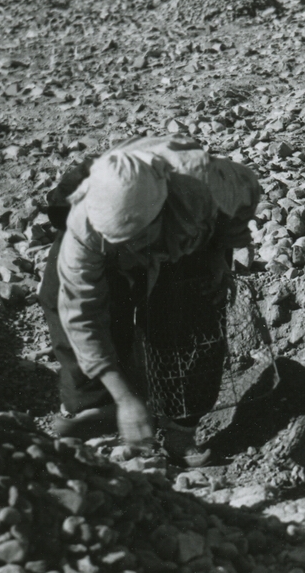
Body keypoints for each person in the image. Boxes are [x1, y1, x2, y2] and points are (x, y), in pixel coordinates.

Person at [39, 136, 261, 464]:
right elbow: (81, 313)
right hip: (106, 236)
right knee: (60, 299)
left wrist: (219, 252)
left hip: (180, 230)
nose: (131, 248)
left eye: (137, 238)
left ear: (160, 211)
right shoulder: (84, 228)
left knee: (195, 306)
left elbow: (247, 194)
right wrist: (123, 396)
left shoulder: (205, 182)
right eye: (122, 242)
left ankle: (180, 430)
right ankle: (98, 410)